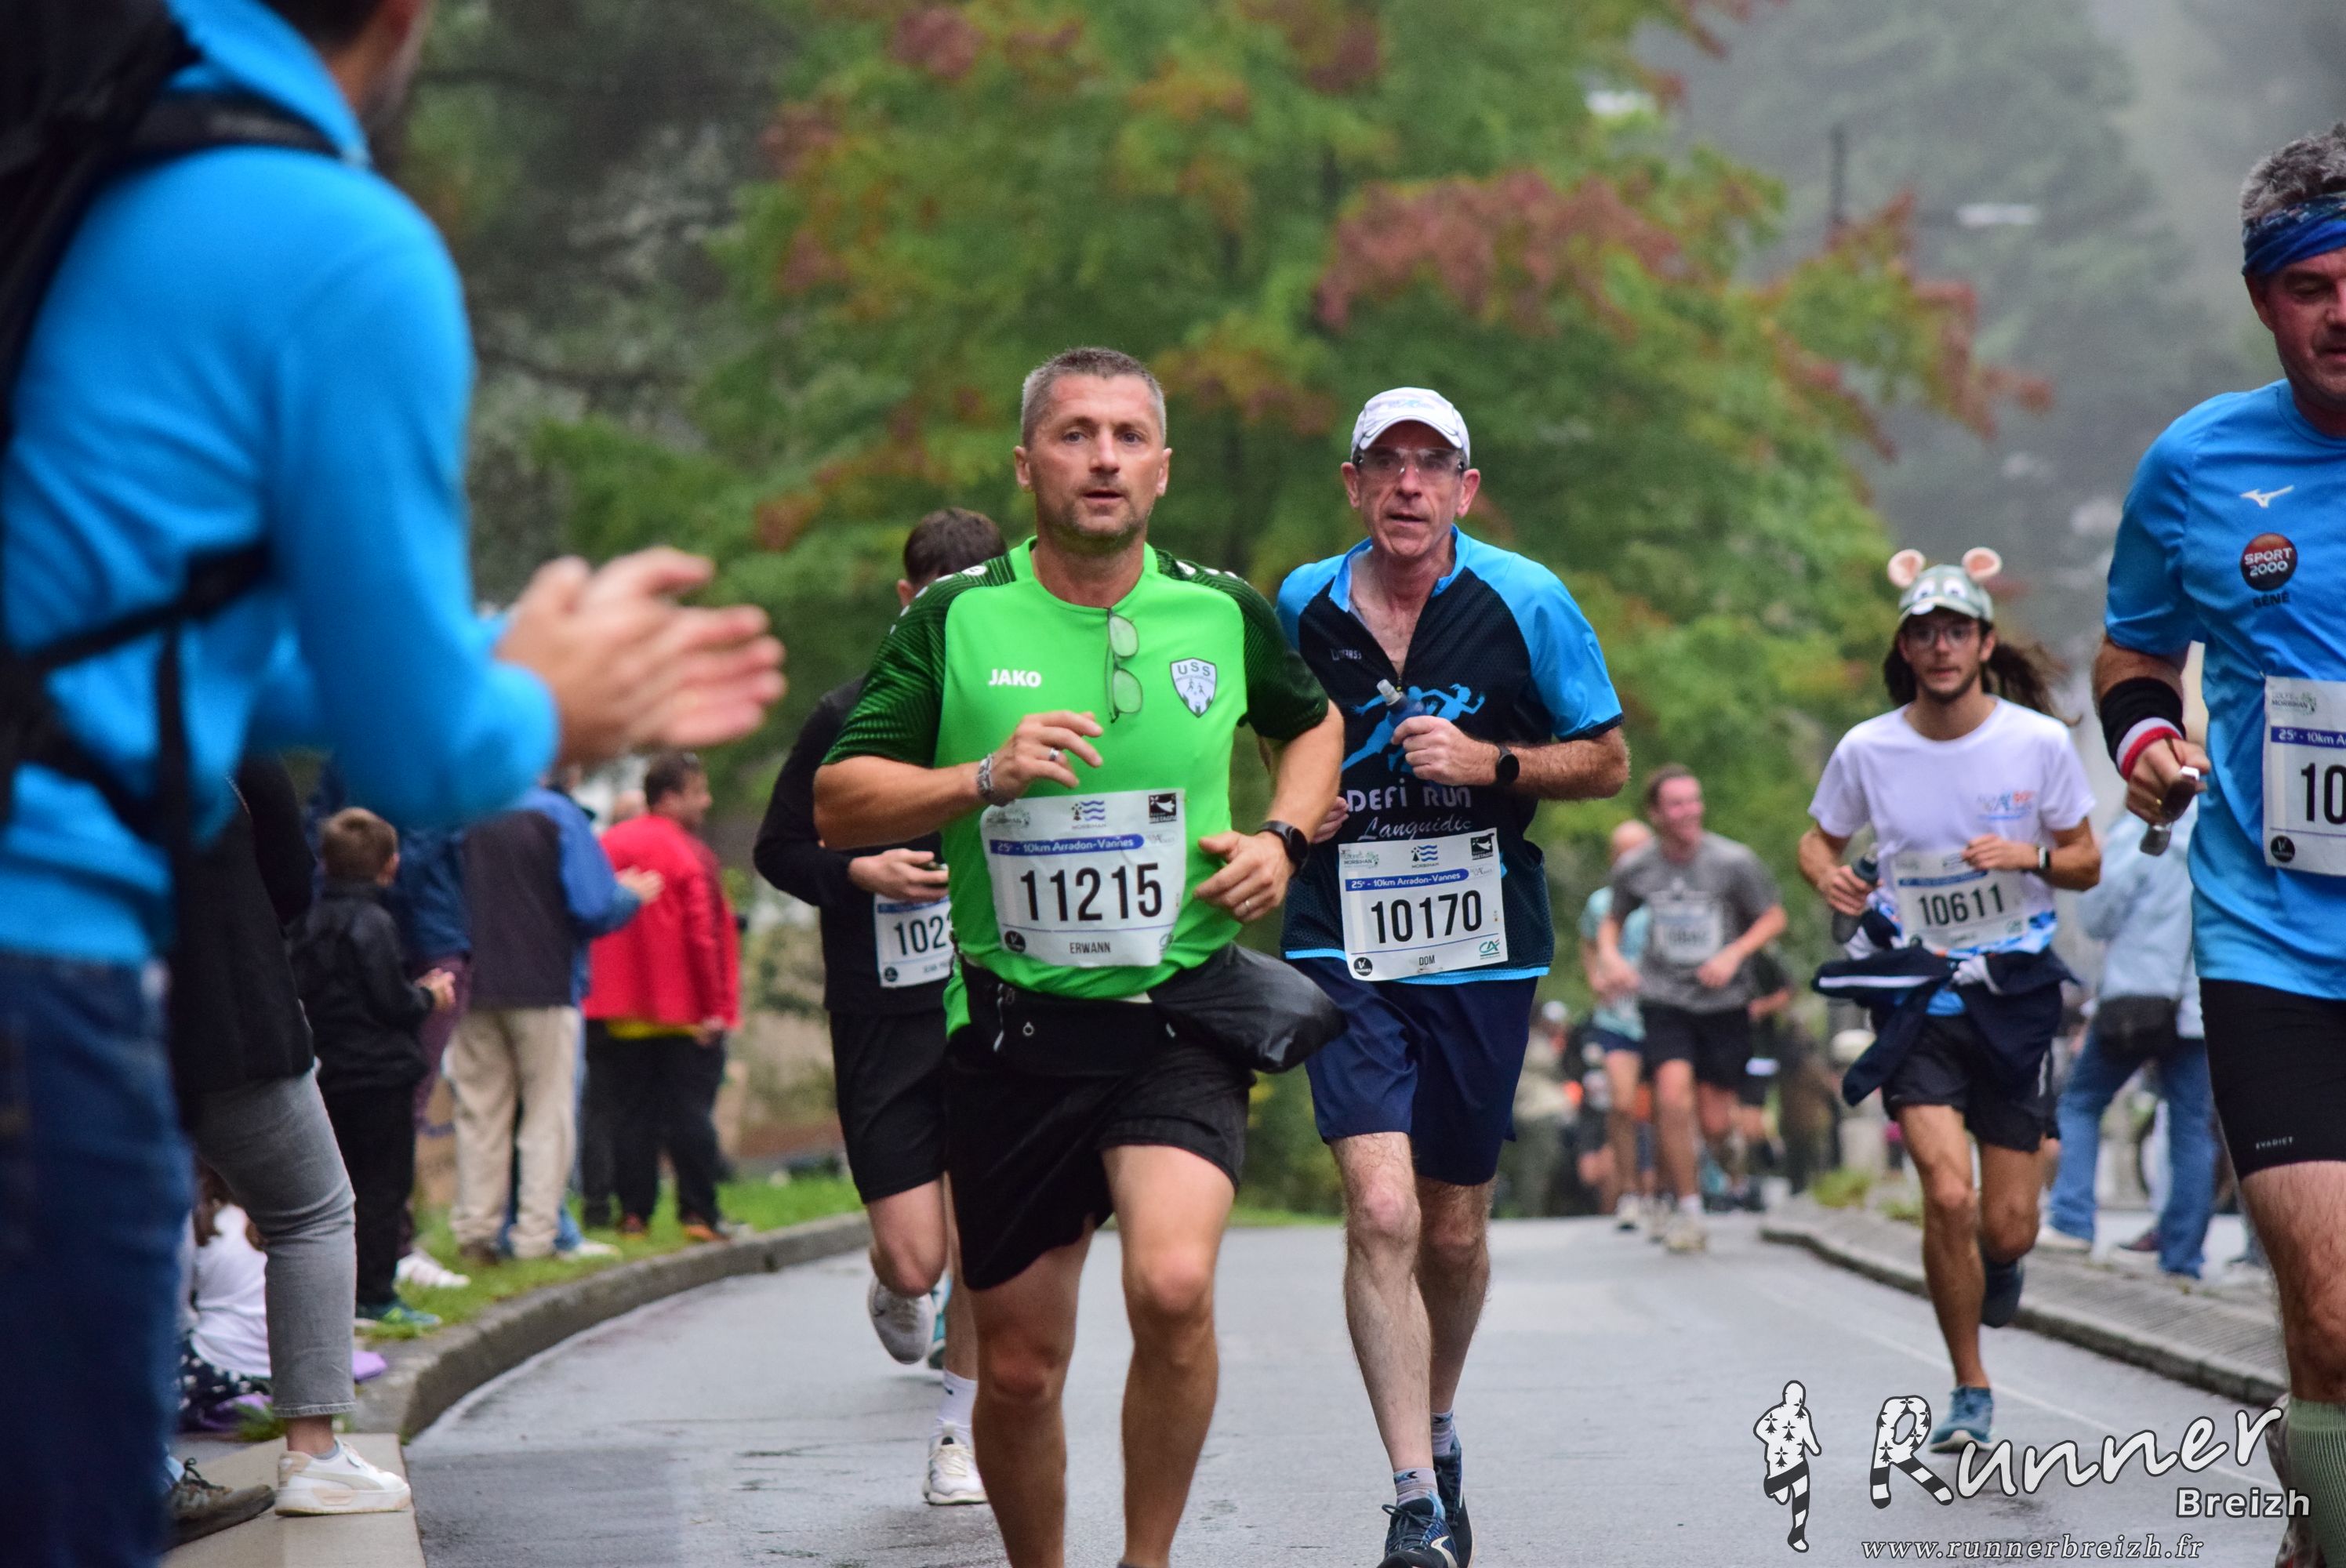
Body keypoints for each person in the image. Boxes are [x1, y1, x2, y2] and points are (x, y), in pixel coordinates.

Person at [0, 0, 783, 1556]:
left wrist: (489, 657)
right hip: (44, 970)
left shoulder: (70, 164)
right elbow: (417, 750)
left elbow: (144, 641)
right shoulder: (331, 241)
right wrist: (541, 700)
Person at [815, 347, 1342, 1568]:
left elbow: (1314, 726)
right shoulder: (958, 616)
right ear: (1026, 464)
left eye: (1126, 436)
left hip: (1179, 1015)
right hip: (1017, 1033)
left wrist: (1284, 836)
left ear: (1162, 468)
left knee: (1172, 1285)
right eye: (1074, 434)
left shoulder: (1222, 610)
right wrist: (980, 775)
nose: (1103, 459)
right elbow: (840, 802)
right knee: (1015, 1368)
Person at [1275, 386, 1628, 1568]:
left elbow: (1607, 761)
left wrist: (1495, 763)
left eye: (1432, 465)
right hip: (1341, 934)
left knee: (1455, 1229)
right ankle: (1413, 1497)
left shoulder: (1527, 598)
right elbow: (1278, 730)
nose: (1408, 484)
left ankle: (1438, 1419)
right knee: (1380, 1208)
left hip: (1482, 942)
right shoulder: (1301, 603)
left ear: (1465, 490)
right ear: (1354, 484)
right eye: (1387, 464)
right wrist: (1298, 806)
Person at [2097, 122, 2346, 1559]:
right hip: (2275, 940)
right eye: (2312, 286)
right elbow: (2135, 652)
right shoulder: (2195, 464)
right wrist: (2144, 743)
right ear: (2263, 299)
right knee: (2330, 1311)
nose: (2342, 313)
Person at [1800, 548, 2098, 1453]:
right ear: (1905, 646)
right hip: (1915, 990)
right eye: (1923, 632)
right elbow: (1818, 841)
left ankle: (2001, 1262)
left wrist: (2028, 857)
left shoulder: (2035, 742)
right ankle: (1969, 1383)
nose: (1939, 646)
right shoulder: (1869, 747)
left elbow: (2085, 859)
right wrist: (1829, 878)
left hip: (2012, 992)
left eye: (1955, 631)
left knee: (2005, 1223)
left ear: (1982, 643)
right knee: (1944, 1191)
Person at [754, 506, 1006, 1508]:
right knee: (918, 1254)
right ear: (906, 601)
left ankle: (959, 1435)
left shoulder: (1021, 712)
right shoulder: (849, 715)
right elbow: (777, 848)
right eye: (933, 605)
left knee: (983, 1234)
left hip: (991, 1001)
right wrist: (860, 870)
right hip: (883, 1010)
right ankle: (898, 1282)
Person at [452, 772, 653, 1265]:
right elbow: (591, 905)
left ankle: (477, 1231)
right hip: (545, 982)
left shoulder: (458, 811)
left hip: (474, 979)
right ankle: (536, 1235)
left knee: (480, 1112)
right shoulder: (558, 814)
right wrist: (629, 895)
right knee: (547, 1114)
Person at [1596, 766, 1787, 1253]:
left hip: (1724, 1002)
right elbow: (1611, 921)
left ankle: (1727, 1150)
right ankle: (1689, 1211)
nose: (1688, 812)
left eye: (1693, 801)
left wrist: (1734, 954)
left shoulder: (1732, 862)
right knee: (1671, 1098)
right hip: (1666, 999)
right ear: (1656, 814)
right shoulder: (1636, 868)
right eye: (1676, 804)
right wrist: (1612, 958)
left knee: (1716, 1122)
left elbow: (1772, 916)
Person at [292, 808, 458, 1333]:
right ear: (390, 866)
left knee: (337, 1188)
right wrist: (428, 996)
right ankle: (376, 1293)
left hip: (330, 1070)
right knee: (384, 1187)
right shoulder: (376, 924)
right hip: (382, 1074)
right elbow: (392, 1003)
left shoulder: (308, 923)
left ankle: (336, 1292)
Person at [2040, 802, 2213, 1279]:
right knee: (2192, 1128)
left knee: (2080, 1103)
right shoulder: (2223, 831)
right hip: (2199, 1005)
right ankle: (2182, 1257)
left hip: (2134, 998)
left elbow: (2097, 915)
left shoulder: (2141, 832)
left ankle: (2072, 1221)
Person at [586, 751, 741, 1242]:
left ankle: (634, 1215)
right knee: (689, 1113)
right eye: (698, 792)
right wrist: (715, 1008)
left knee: (630, 1115)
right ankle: (699, 1212)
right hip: (683, 1011)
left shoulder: (609, 844)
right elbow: (703, 936)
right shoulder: (688, 853)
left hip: (618, 1008)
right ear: (670, 798)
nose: (706, 802)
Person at [1582, 818, 1657, 1229]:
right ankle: (1629, 1192)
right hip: (1617, 1017)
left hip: (1662, 1014)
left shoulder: (1666, 898)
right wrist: (1596, 978)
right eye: (1624, 853)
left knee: (1666, 1107)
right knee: (1623, 1104)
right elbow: (1588, 942)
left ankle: (1662, 1192)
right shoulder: (1601, 903)